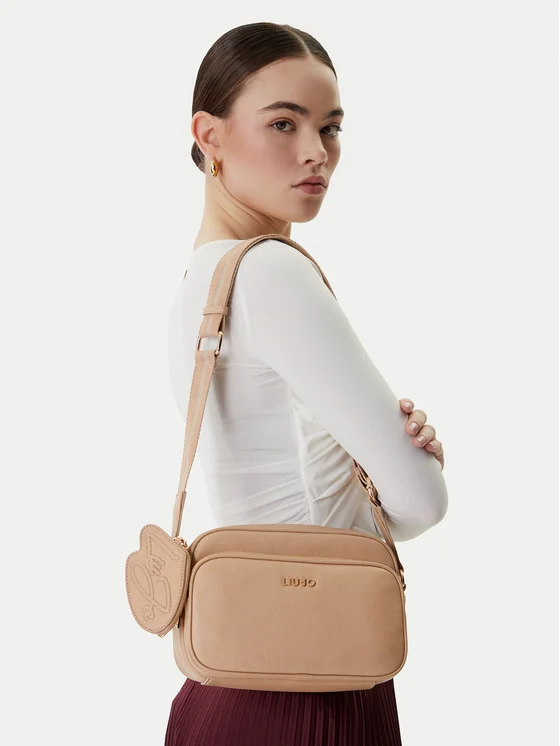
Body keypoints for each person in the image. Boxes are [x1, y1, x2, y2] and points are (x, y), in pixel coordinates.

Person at [165, 21, 448, 746]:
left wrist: (359, 472)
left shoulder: (200, 279)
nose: (316, 151)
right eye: (283, 123)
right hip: (311, 692)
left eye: (330, 127)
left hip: (221, 683)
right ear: (210, 135)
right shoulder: (272, 272)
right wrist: (390, 474)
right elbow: (421, 503)